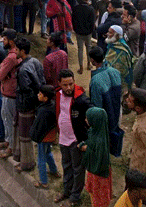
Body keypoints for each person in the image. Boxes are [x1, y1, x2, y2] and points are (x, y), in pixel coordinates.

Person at [54, 70, 92, 205]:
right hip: (63, 139)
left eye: (71, 84)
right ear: (59, 84)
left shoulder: (81, 98)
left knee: (78, 169)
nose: (68, 88)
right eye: (65, 85)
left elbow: (93, 111)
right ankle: (66, 191)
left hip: (76, 141)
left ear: (74, 82)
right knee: (66, 166)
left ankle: (75, 196)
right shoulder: (57, 94)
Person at [13, 37, 45, 172]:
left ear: (22, 51)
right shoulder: (36, 62)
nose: (14, 52)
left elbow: (26, 90)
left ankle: (27, 163)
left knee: (24, 136)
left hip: (25, 105)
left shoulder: (23, 70)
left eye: (16, 49)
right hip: (35, 103)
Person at [88, 47, 124, 156]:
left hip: (105, 115)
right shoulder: (115, 72)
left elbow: (96, 105)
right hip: (117, 110)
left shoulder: (95, 80)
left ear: (93, 60)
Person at [0, 29, 20, 158]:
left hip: (9, 93)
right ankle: (8, 141)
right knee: (7, 118)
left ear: (10, 41)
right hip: (8, 91)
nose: (3, 42)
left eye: (4, 39)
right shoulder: (13, 54)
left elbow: (0, 75)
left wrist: (1, 69)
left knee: (9, 120)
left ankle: (11, 146)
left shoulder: (11, 57)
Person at [80, 107, 112, 207]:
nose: (85, 120)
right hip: (93, 172)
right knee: (93, 196)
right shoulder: (96, 131)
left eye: (87, 118)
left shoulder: (100, 141)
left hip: (98, 175)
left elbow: (99, 158)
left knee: (99, 200)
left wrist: (85, 148)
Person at [29, 85, 59, 189]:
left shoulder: (42, 111)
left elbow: (38, 127)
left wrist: (34, 136)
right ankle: (54, 170)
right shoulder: (53, 105)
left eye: (40, 94)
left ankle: (43, 181)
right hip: (50, 136)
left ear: (45, 98)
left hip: (42, 137)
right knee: (48, 153)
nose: (38, 95)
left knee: (41, 158)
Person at [71, 0, 96, 75]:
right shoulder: (91, 9)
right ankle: (89, 64)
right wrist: (90, 31)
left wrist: (75, 29)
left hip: (79, 32)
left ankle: (81, 67)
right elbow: (92, 22)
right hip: (88, 33)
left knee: (80, 49)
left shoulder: (76, 8)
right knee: (88, 48)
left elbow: (73, 21)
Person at [105, 25, 134, 93]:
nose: (107, 34)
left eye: (110, 33)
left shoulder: (122, 50)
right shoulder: (113, 44)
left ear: (117, 35)